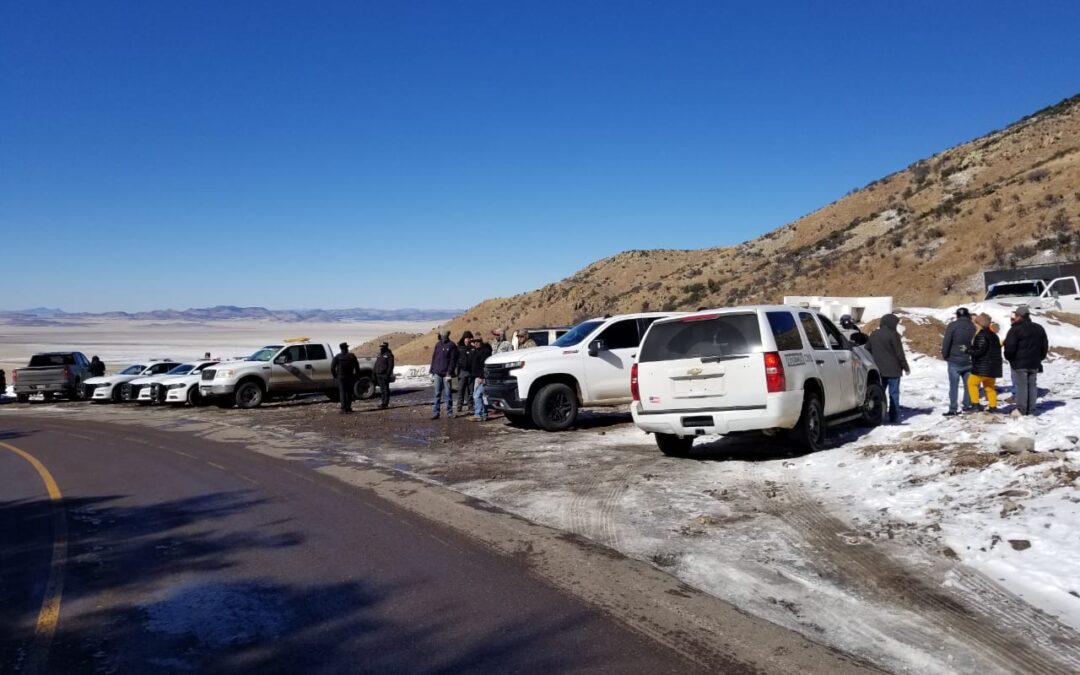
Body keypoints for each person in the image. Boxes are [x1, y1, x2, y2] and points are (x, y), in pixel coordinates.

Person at [1003, 305, 1049, 416]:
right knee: (1032, 385)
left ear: (1019, 316)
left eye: (1016, 315)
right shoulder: (1039, 328)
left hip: (1019, 363)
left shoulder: (1015, 329)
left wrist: (1010, 358)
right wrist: (1040, 358)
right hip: (1034, 362)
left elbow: (1009, 347)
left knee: (1022, 386)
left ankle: (1021, 409)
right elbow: (1044, 345)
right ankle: (1031, 409)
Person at [867, 313, 910, 424]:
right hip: (894, 370)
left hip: (879, 370)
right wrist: (906, 367)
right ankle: (894, 417)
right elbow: (899, 354)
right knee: (894, 394)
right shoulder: (893, 334)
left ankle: (878, 415)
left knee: (879, 395)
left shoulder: (874, 334)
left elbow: (867, 348)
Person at [940, 307, 976, 416]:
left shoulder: (953, 326)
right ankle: (967, 405)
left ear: (957, 315)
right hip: (969, 359)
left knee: (953, 386)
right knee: (968, 385)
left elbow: (947, 341)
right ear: (968, 315)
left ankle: (953, 408)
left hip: (954, 359)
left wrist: (945, 355)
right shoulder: (973, 326)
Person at [967, 313, 1003, 412]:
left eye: (976, 322)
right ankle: (993, 406)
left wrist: (967, 350)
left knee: (971, 383)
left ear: (980, 323)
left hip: (982, 367)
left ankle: (975, 405)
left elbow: (979, 351)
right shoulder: (994, 335)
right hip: (993, 367)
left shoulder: (982, 334)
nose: (974, 324)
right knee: (989, 388)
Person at [429, 331, 458, 419]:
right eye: (440, 336)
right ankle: (436, 412)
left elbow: (453, 360)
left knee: (448, 393)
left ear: (445, 336)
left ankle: (449, 412)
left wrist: (449, 372)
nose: (440, 337)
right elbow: (434, 358)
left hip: (446, 374)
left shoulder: (452, 345)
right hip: (437, 373)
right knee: (437, 393)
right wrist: (431, 370)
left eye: (441, 335)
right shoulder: (438, 345)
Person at [330, 342, 361, 413]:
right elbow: (357, 367)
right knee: (349, 392)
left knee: (342, 392)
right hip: (350, 376)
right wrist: (356, 376)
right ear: (346, 348)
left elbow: (332, 367)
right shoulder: (352, 356)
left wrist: (335, 376)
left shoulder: (337, 356)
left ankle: (343, 408)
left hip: (341, 377)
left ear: (340, 348)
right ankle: (348, 408)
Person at [469, 336, 493, 421]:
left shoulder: (484, 352)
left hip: (481, 377)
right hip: (478, 376)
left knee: (476, 395)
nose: (475, 343)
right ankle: (484, 414)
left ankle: (478, 414)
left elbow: (485, 366)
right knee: (482, 396)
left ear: (481, 342)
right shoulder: (478, 351)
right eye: (474, 342)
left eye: (477, 341)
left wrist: (482, 377)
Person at [456, 331, 475, 413]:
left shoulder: (473, 348)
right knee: (461, 390)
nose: (468, 340)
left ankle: (470, 405)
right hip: (462, 372)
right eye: (466, 338)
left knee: (471, 391)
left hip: (471, 372)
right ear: (463, 339)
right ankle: (459, 406)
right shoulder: (459, 348)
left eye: (469, 338)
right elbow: (455, 359)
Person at [373, 342, 394, 409]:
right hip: (378, 374)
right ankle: (383, 402)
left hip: (384, 374)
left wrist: (387, 374)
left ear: (386, 347)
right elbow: (376, 364)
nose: (381, 348)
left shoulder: (389, 355)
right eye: (381, 347)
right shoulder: (380, 355)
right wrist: (374, 372)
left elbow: (390, 366)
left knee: (385, 389)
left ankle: (385, 403)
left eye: (382, 347)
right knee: (382, 390)